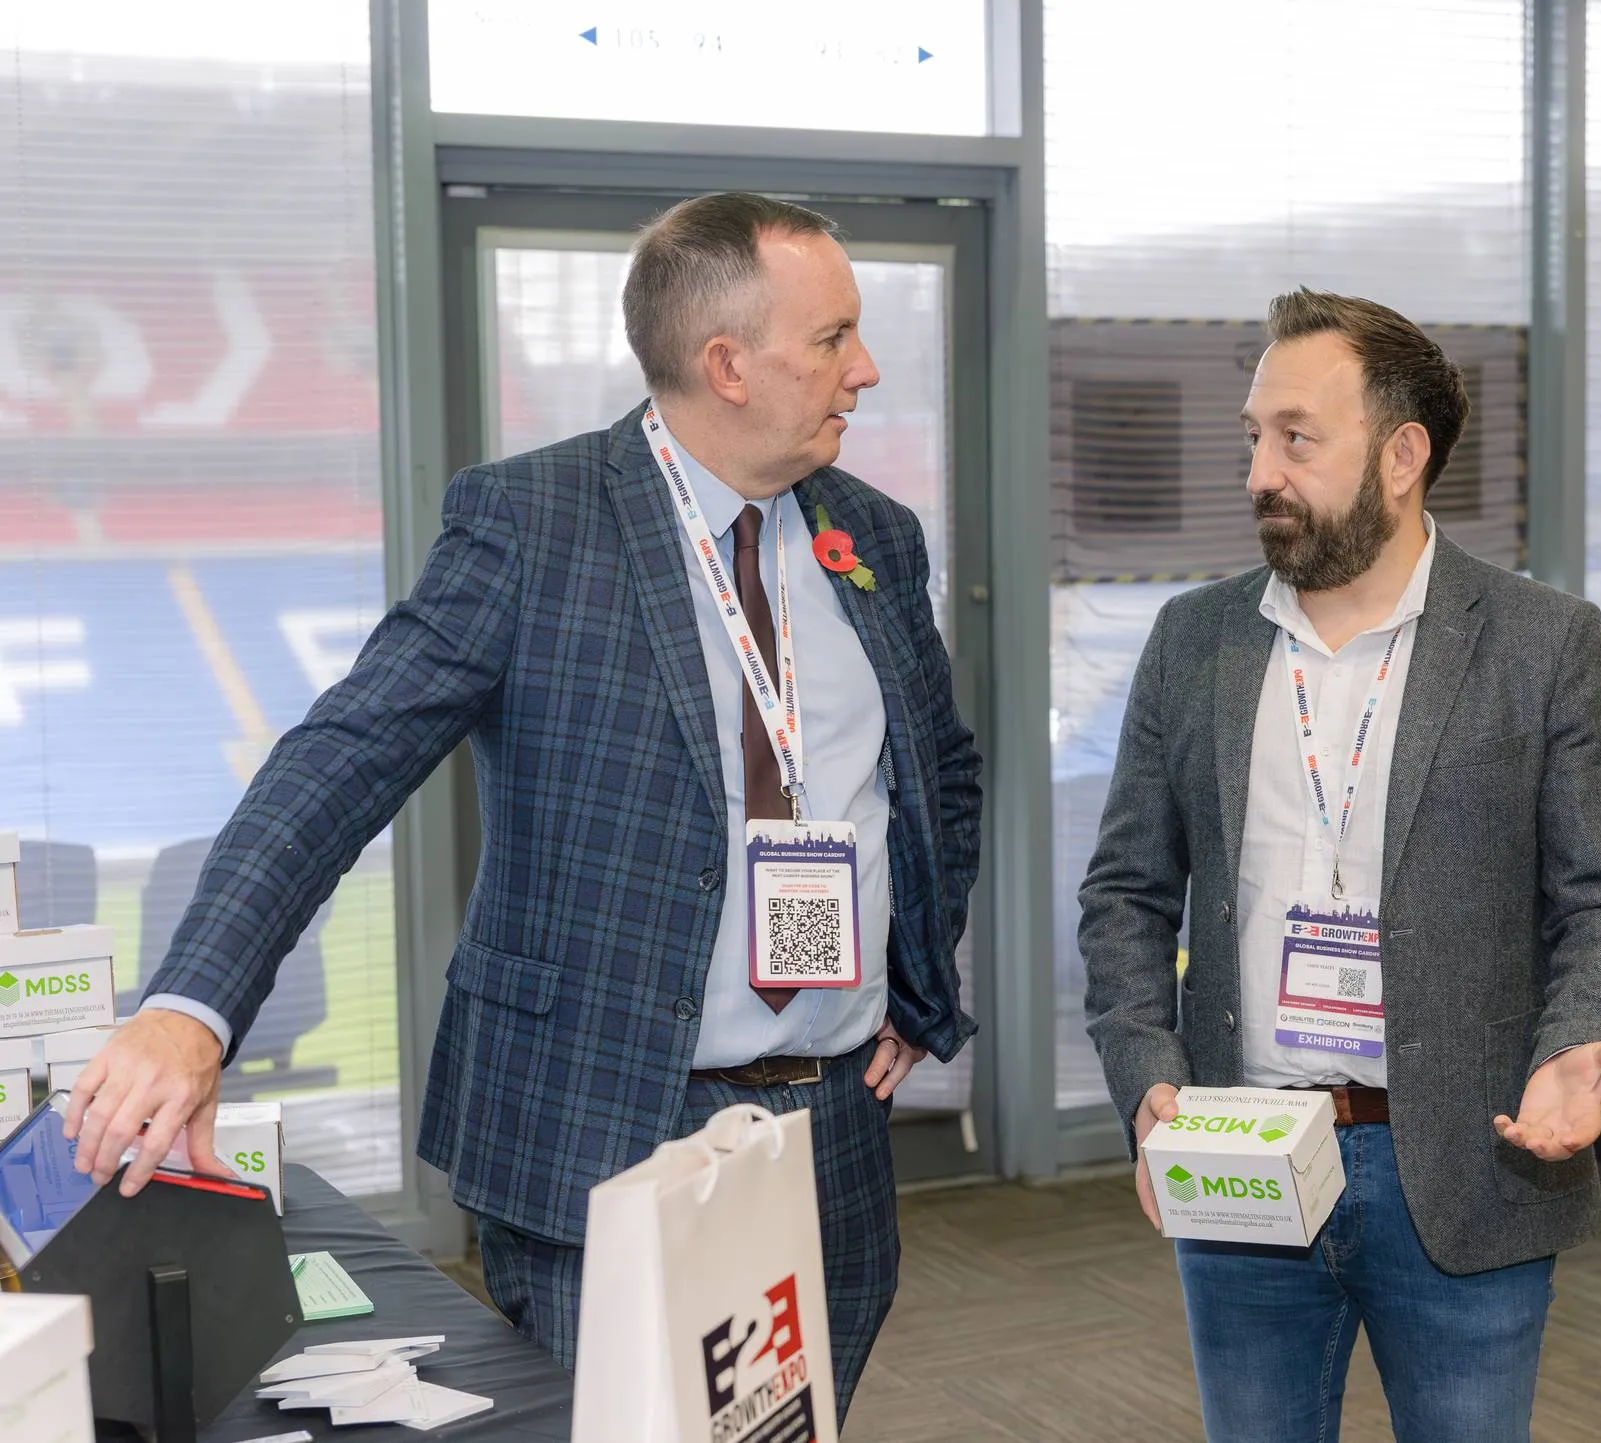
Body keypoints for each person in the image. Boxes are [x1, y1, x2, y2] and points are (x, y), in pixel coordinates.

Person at [65, 192, 981, 1418]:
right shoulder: (533, 524)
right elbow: (340, 762)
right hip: (607, 1126)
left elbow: (939, 773)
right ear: (726, 365)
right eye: (832, 339)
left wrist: (915, 980)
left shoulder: (875, 536)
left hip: (835, 1133)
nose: (864, 370)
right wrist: (192, 1010)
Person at [1080, 289, 1601, 1442]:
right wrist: (1147, 1079)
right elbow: (1126, 894)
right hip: (1241, 1156)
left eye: (1297, 439)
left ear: (1403, 457)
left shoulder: (1542, 642)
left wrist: (1584, 1044)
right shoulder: (1195, 641)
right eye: (1254, 436)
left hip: (1466, 1164)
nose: (1261, 471)